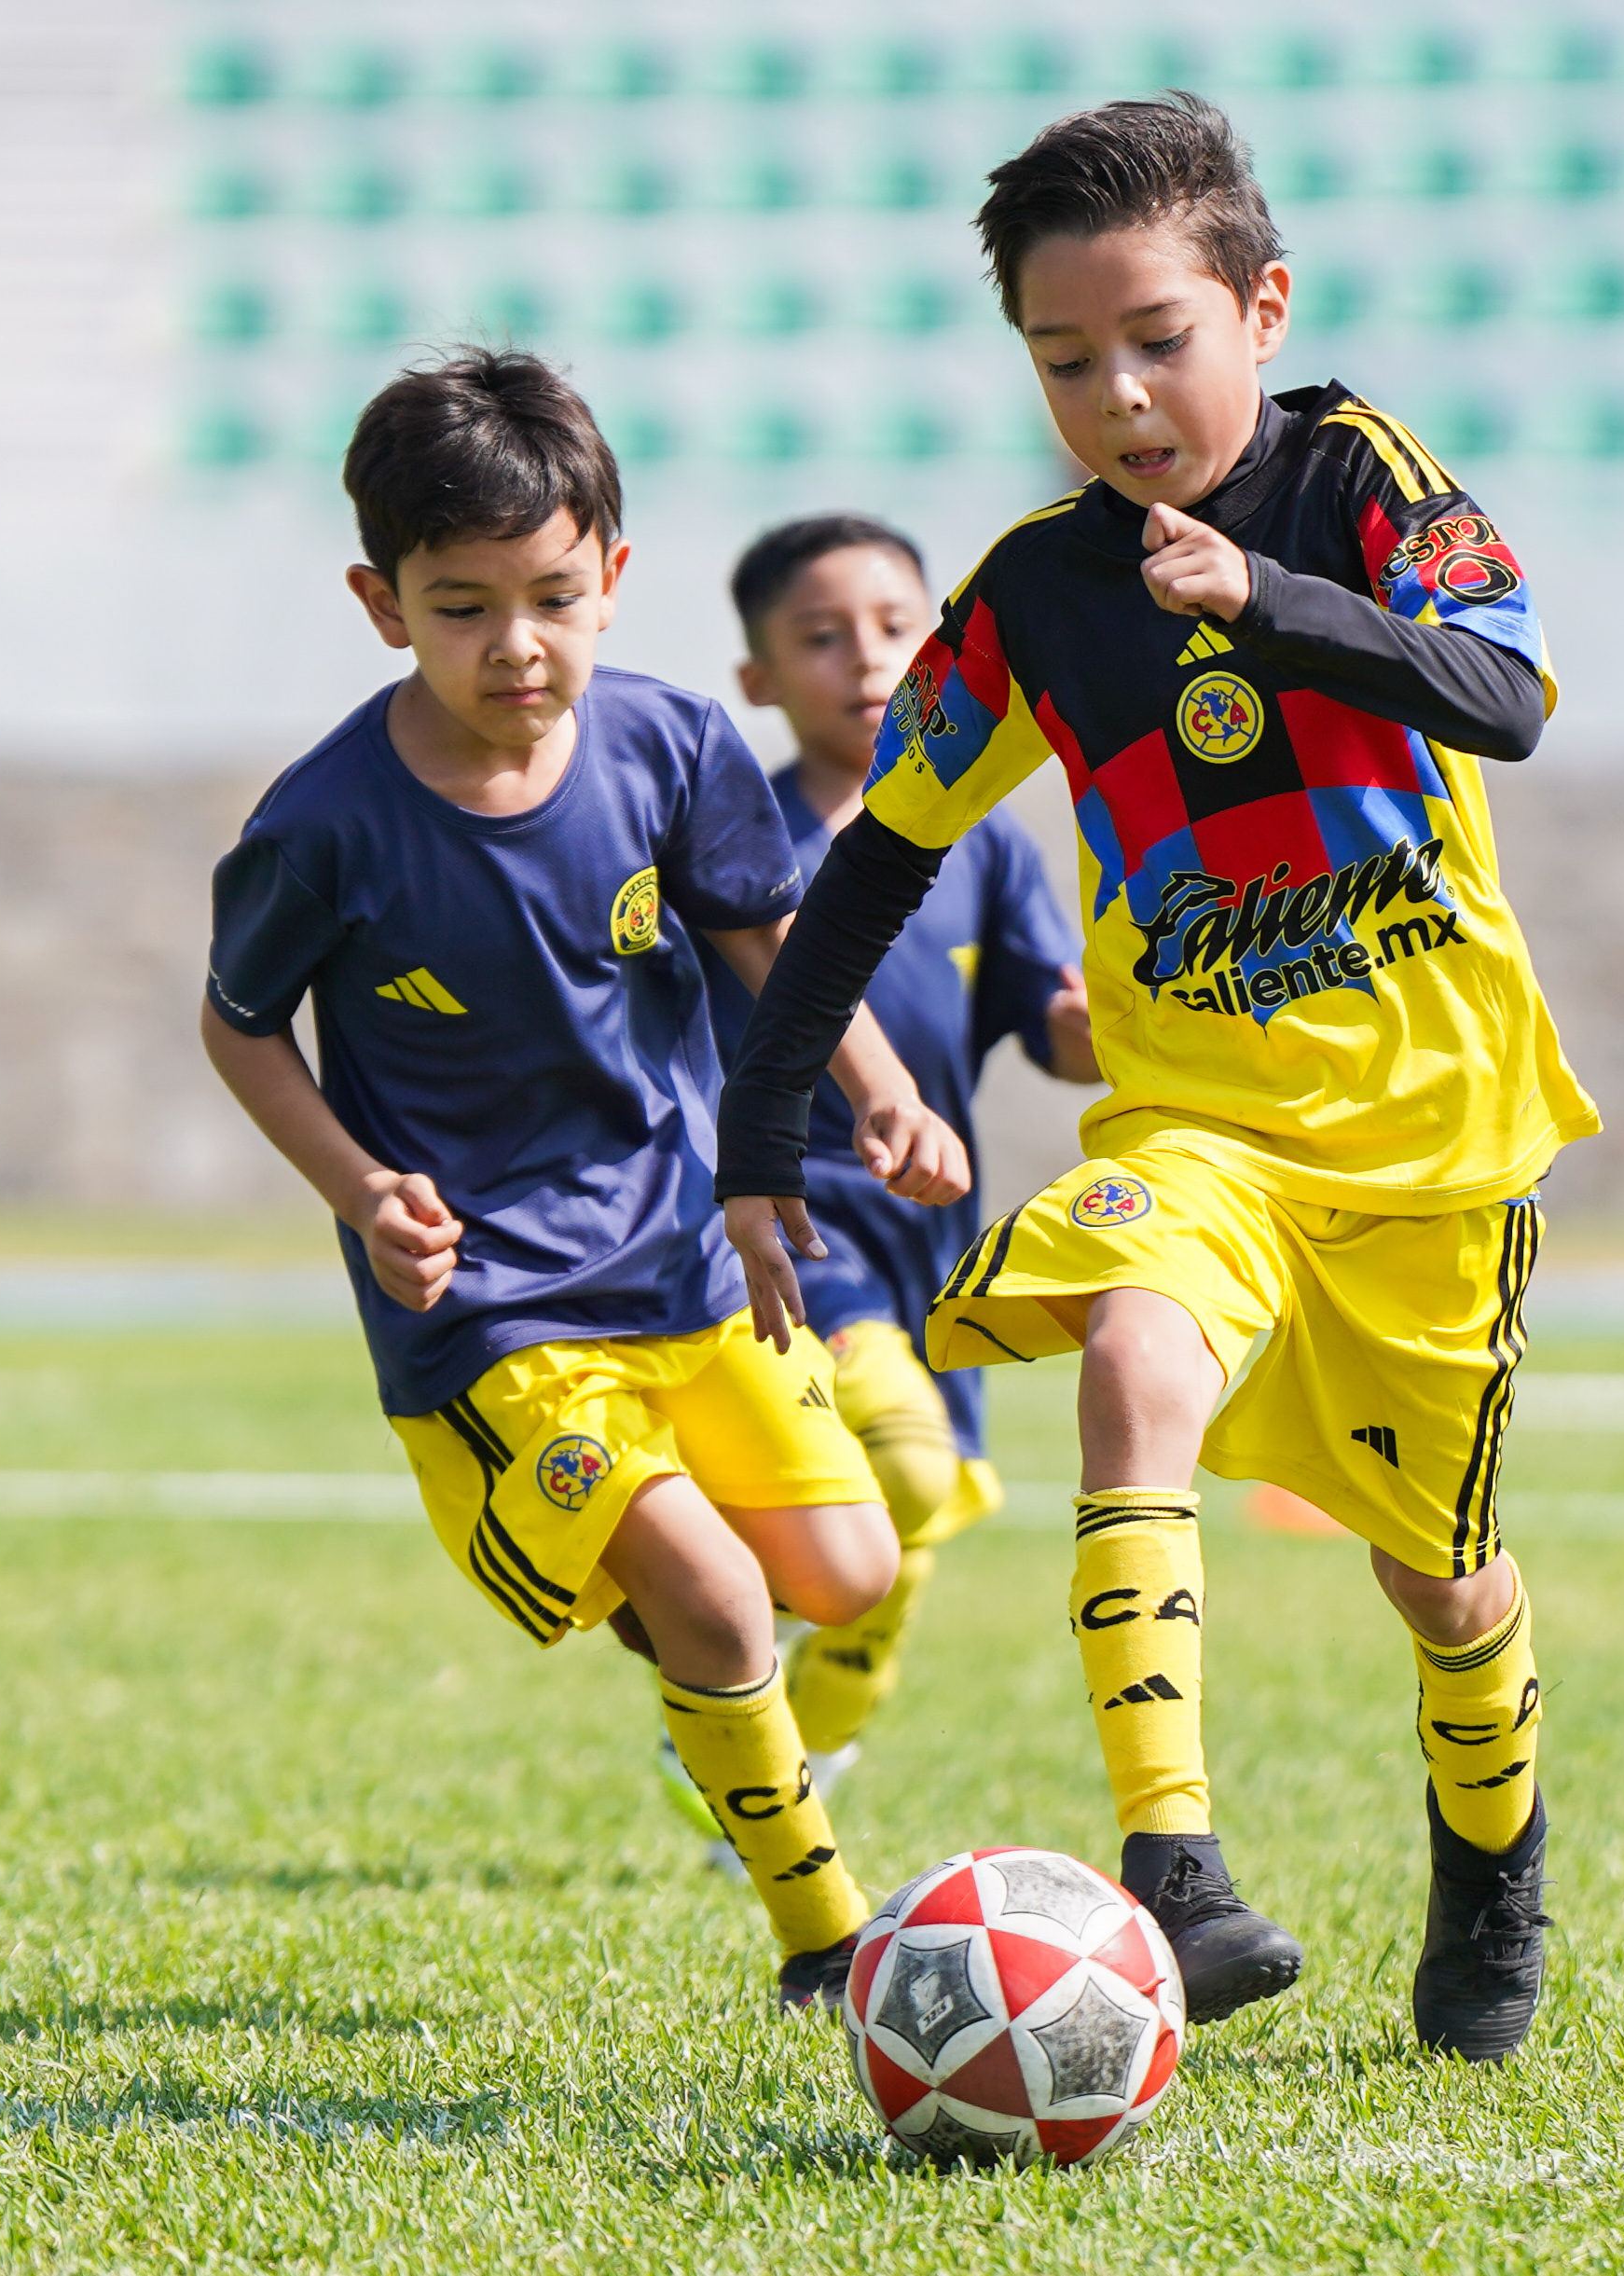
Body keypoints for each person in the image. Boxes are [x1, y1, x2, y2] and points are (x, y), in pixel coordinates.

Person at [713, 96, 1597, 2062]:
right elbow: (876, 856)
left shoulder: (1361, 481)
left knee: (1439, 1586)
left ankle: (1492, 1863)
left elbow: (1509, 695)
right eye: (1062, 361)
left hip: (1430, 1149)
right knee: (1131, 1352)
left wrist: (1266, 603)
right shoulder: (1031, 596)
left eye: (1156, 342)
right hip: (1195, 1127)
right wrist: (757, 1121)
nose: (1116, 396)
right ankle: (1173, 1877)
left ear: (1260, 308)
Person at [199, 351, 970, 2011]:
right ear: (380, 603)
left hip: (684, 1266)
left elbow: (767, 937)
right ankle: (822, 1936)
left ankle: (691, 1653)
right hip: (490, 1309)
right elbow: (239, 1026)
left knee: (843, 1572)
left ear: (613, 579)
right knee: (709, 1592)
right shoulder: (324, 824)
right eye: (462, 605)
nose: (517, 644)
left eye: (553, 595)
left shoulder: (672, 746)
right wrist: (356, 1187)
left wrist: (884, 1091)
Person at [648, 516, 1094, 1862]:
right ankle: (741, 1659)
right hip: (782, 1225)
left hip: (928, 1239)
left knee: (926, 1505)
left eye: (898, 626)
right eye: (820, 635)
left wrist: (1145, 1002)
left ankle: (774, 1733)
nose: (866, 659)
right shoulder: (736, 846)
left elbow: (1055, 1028)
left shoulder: (987, 844)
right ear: (758, 680)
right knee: (900, 1459)